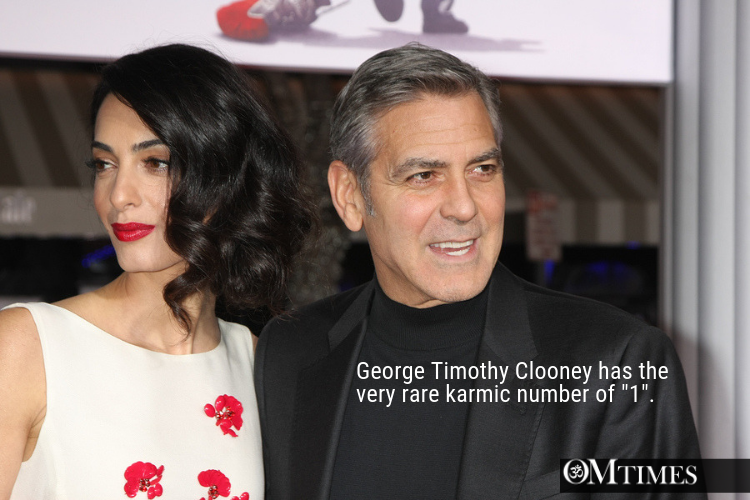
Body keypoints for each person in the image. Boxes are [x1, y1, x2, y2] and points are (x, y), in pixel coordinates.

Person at [255, 43, 704, 499]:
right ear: (350, 196)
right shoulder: (289, 352)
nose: (465, 206)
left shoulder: (617, 365)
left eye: (483, 169)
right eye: (424, 176)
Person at [0, 43, 314, 499]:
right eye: (105, 164)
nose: (118, 194)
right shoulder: (27, 346)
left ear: (225, 179)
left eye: (155, 163)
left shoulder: (254, 360)